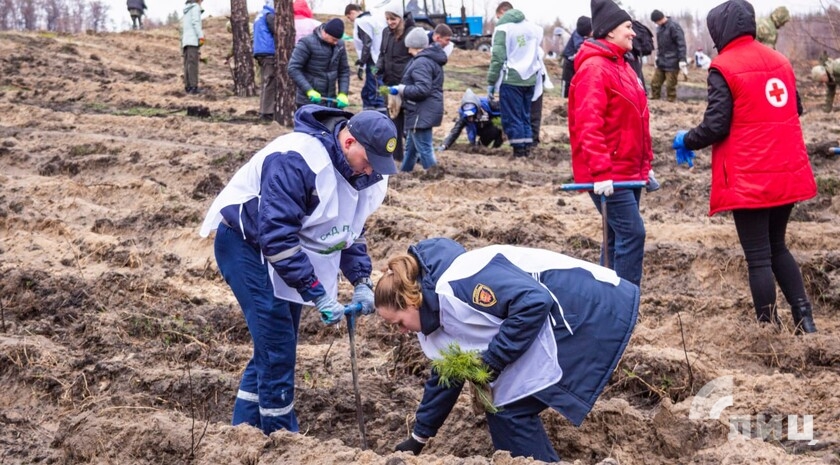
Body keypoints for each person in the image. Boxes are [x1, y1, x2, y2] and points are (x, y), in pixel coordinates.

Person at [199, 106, 399, 436]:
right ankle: (284, 442)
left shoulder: (364, 172)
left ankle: (244, 432)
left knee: (273, 345)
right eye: (369, 159)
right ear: (348, 141)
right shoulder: (298, 159)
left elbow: (349, 228)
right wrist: (316, 292)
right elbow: (277, 237)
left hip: (287, 250)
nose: (371, 170)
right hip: (247, 245)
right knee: (277, 344)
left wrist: (362, 279)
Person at [375, 238, 639, 461]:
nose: (401, 331)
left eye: (398, 322)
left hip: (588, 309)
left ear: (411, 300)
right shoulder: (432, 320)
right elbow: (446, 377)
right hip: (560, 317)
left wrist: (492, 361)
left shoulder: (460, 282)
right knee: (505, 408)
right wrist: (418, 437)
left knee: (508, 408)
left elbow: (534, 301)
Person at [672, 0, 818, 334]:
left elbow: (716, 125)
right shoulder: (780, 60)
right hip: (787, 171)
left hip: (751, 177)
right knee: (778, 246)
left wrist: (687, 139)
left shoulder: (723, 66)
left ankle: (767, 330)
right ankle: (805, 320)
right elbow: (795, 108)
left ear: (720, 30)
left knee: (758, 257)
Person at [568, 0, 653, 288]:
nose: (633, 33)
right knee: (632, 233)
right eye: (628, 28)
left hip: (629, 171)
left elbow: (637, 119)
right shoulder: (595, 69)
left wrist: (646, 165)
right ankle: (623, 303)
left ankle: (606, 300)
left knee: (616, 236)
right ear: (609, 32)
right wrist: (601, 172)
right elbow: (588, 125)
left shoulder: (623, 66)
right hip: (609, 173)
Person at [488, 2, 544, 158]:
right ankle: (526, 149)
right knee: (525, 115)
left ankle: (518, 152)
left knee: (513, 117)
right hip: (530, 79)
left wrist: (491, 82)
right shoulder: (532, 28)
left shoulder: (503, 29)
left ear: (502, 12)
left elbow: (497, 58)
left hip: (511, 79)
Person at [389, 27, 447, 173]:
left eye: (409, 47)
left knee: (425, 148)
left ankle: (436, 178)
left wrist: (401, 89)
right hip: (423, 111)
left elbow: (423, 89)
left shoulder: (422, 62)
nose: (408, 51)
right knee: (411, 148)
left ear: (415, 46)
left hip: (420, 111)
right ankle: (403, 174)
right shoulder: (429, 60)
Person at [376, 0, 417, 161]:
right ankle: (396, 157)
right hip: (390, 85)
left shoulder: (411, 32)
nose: (390, 22)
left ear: (400, 18)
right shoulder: (386, 33)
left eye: (393, 19)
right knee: (393, 122)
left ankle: (415, 155)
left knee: (410, 123)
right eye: (387, 19)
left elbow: (415, 58)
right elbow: (382, 54)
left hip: (407, 85)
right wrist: (377, 68)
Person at [288, 18, 351, 110]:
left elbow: (344, 70)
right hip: (308, 101)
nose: (336, 42)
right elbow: (293, 68)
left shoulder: (339, 45)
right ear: (325, 33)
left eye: (338, 40)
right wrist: (309, 90)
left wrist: (343, 93)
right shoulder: (306, 43)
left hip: (331, 100)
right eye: (334, 39)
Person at [345, 3, 388, 113]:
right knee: (370, 87)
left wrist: (361, 63)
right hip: (381, 58)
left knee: (374, 85)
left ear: (352, 12)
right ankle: (371, 109)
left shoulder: (362, 22)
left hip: (373, 61)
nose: (350, 21)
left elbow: (367, 43)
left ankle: (379, 110)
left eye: (349, 18)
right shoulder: (374, 19)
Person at [649, 9, 686, 102]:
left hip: (673, 61)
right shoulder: (659, 28)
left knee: (670, 85)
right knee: (655, 83)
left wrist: (682, 59)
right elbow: (661, 45)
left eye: (656, 22)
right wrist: (657, 57)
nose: (656, 24)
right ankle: (655, 99)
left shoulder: (674, 26)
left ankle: (671, 102)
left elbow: (681, 44)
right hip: (661, 60)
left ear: (659, 19)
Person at [253, 1, 277, 121]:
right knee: (270, 82)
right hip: (268, 51)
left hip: (260, 51)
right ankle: (267, 112)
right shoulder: (270, 16)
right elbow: (277, 31)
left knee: (265, 81)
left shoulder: (260, 14)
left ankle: (263, 110)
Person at [561, 16, 592, 98]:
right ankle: (563, 99)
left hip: (577, 62)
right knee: (567, 83)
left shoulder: (587, 35)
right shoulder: (578, 34)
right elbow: (579, 47)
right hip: (569, 61)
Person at [181, 0, 204, 95]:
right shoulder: (195, 7)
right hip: (193, 40)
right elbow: (196, 22)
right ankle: (194, 87)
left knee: (187, 65)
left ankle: (188, 86)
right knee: (193, 65)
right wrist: (201, 36)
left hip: (185, 41)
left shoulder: (186, 10)